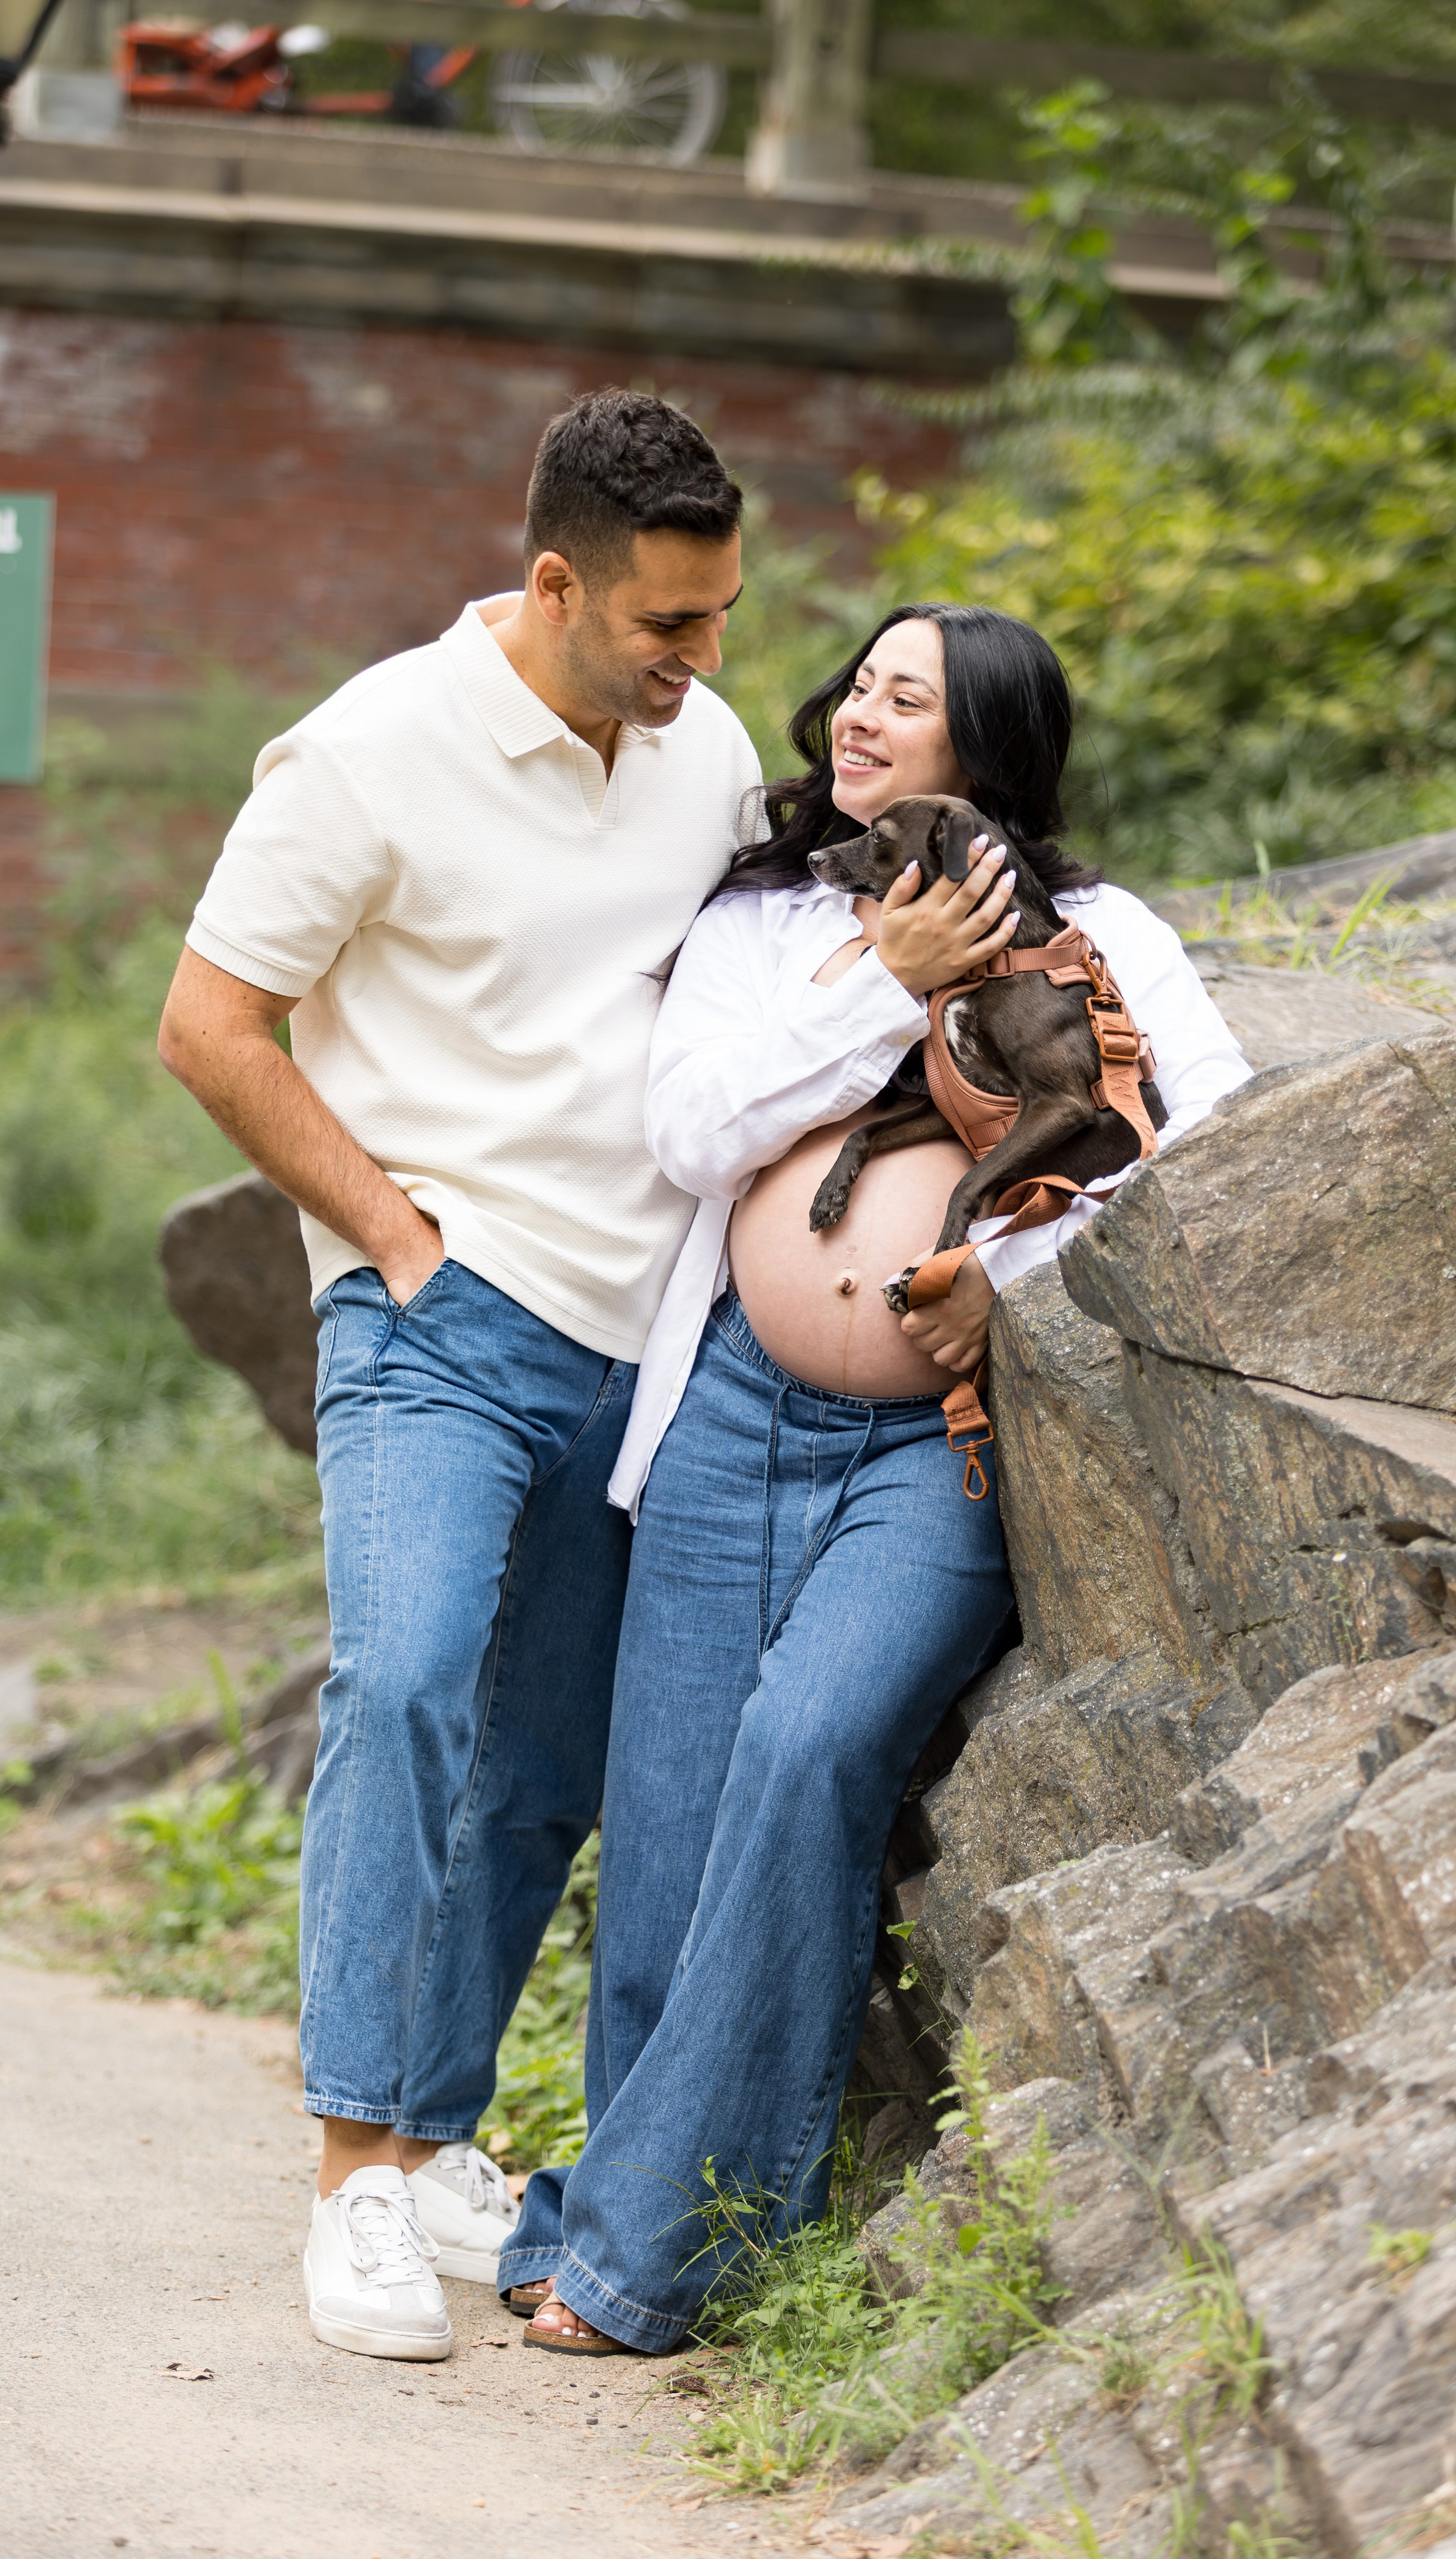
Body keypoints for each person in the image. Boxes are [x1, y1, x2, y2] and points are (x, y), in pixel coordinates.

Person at [498, 600, 1252, 2352]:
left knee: (810, 1747)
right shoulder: (766, 923)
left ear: (985, 744)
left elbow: (1202, 1135)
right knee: (666, 1834)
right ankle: (637, 2213)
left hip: (942, 1447)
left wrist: (1017, 1275)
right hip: (731, 1417)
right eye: (859, 684)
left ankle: (634, 2258)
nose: (858, 713)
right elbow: (695, 1132)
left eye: (906, 698)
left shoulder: (1106, 934)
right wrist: (887, 981)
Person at [157, 390, 760, 2362]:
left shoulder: (704, 748)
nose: (704, 660)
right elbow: (210, 1024)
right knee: (406, 1681)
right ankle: (351, 2172)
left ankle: (430, 2138)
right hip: (442, 1315)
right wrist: (394, 1239)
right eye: (668, 623)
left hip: (642, 1338)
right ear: (557, 582)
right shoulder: (365, 753)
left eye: (722, 616)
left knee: (543, 1766)